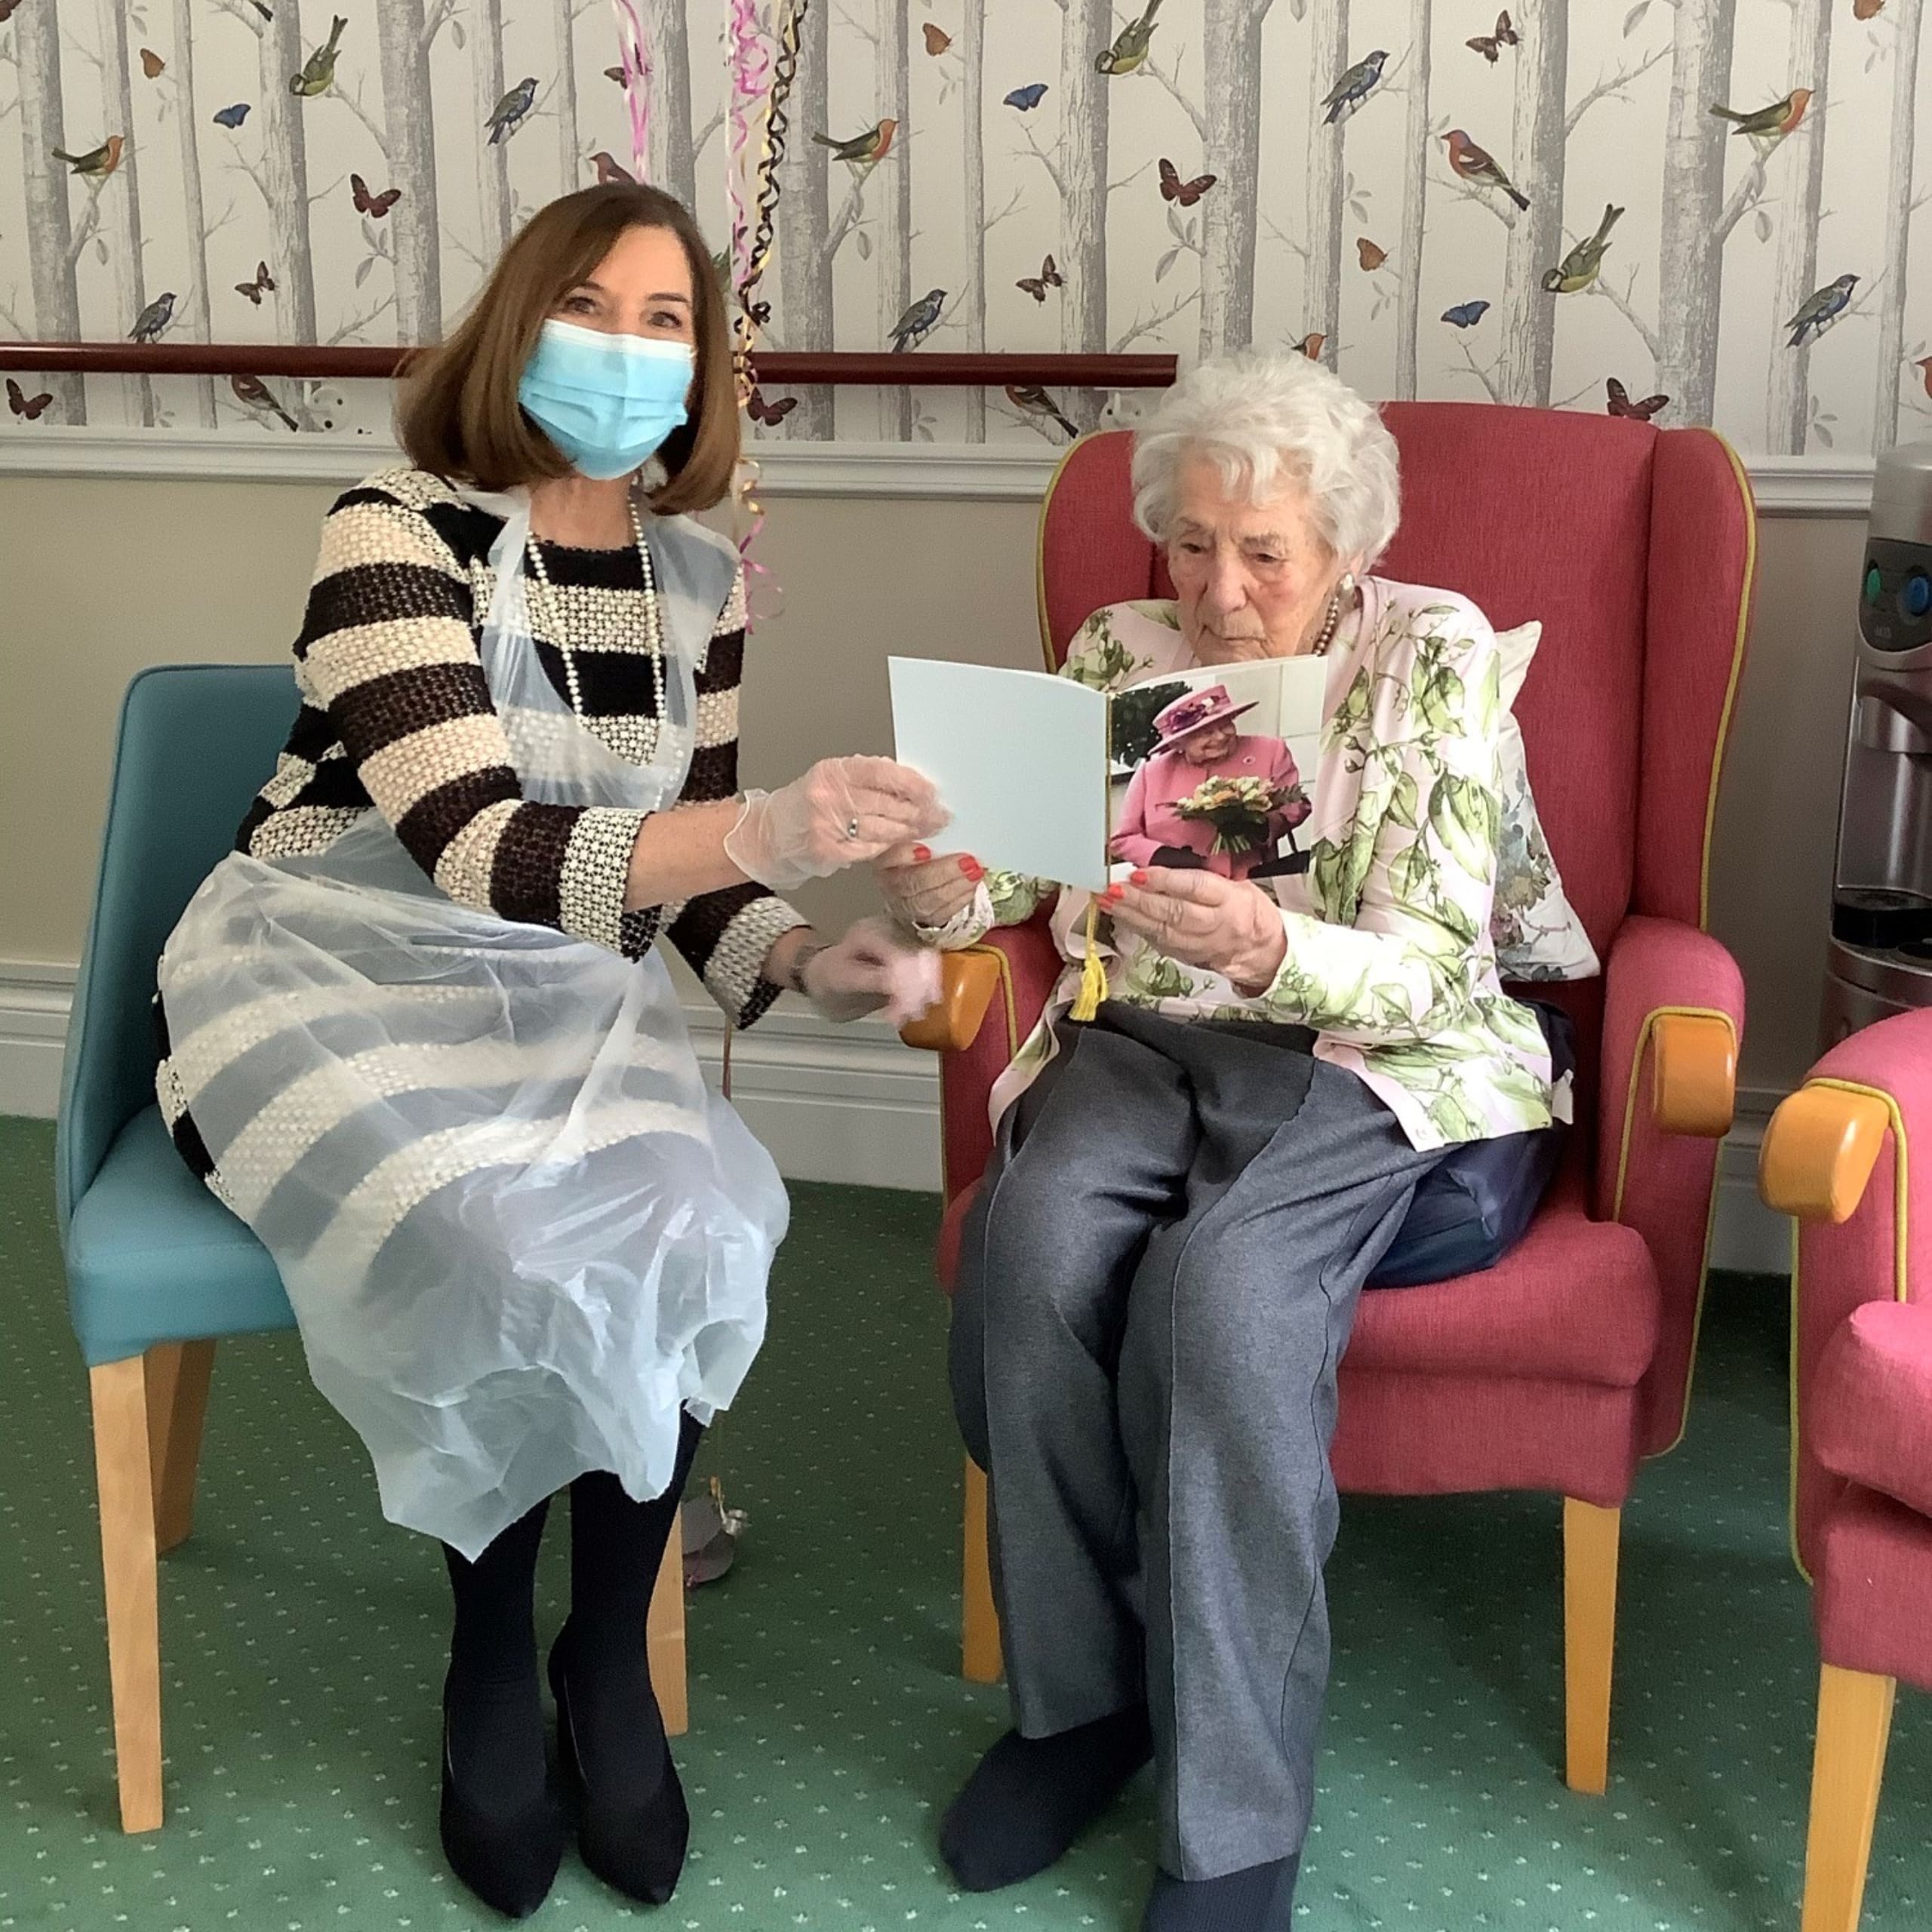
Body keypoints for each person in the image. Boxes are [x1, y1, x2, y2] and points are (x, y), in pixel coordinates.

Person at [152, 183, 946, 1920]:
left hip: (554, 986)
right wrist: (763, 831)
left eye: (670, 318)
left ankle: (605, 1651)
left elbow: (670, 889)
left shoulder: (700, 573)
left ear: (703, 362)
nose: (629, 344)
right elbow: (479, 850)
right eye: (594, 302)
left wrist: (814, 954)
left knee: (691, 1211)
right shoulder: (391, 525)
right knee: (502, 1228)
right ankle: (483, 1658)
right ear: (521, 318)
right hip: (314, 973)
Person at [875, 350, 1561, 1932]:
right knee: (1028, 1243)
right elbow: (1012, 876)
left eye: (1262, 553)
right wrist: (934, 879)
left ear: (1343, 550)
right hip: (1145, 1029)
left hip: (1359, 1047)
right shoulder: (1118, 645)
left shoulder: (1432, 656)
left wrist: (1270, 946)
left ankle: (1233, 1811)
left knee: (1220, 1302)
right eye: (1190, 542)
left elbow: (1443, 963)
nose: (1218, 592)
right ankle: (1074, 1710)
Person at [1109, 682, 1311, 879]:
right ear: (1178, 743)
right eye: (1206, 733)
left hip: (1253, 881)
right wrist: (1172, 858)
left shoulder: (1270, 750)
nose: (1221, 736)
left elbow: (1296, 806)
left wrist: (1260, 826)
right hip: (1175, 885)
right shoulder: (1150, 773)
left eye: (1226, 724)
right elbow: (1124, 839)